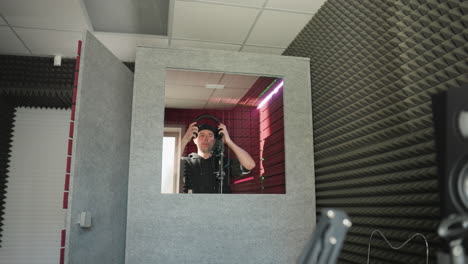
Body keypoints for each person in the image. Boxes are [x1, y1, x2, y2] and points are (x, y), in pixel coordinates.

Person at [180, 122, 256, 193]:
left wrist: (229, 141)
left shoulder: (223, 162)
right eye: (202, 135)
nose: (206, 139)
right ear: (194, 140)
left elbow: (250, 165)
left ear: (215, 140)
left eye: (210, 136)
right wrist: (185, 140)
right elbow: (170, 162)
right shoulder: (186, 162)